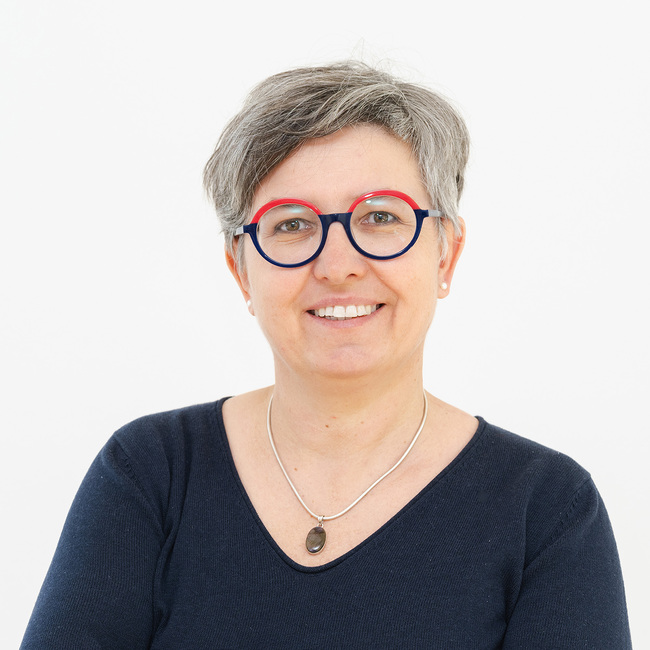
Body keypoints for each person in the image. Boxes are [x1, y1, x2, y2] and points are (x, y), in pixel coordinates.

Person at [21, 61, 631, 649]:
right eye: (291, 225)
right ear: (240, 269)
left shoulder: (547, 512)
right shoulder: (150, 474)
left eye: (381, 217)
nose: (338, 266)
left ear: (446, 253)